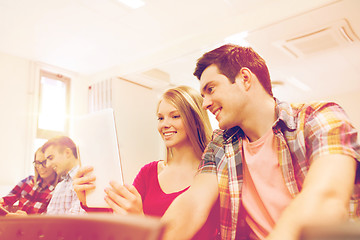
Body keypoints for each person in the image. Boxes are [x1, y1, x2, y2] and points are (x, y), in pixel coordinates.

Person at [161, 44, 360, 240]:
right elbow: (193, 203)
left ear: (244, 79)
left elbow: (326, 197)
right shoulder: (221, 144)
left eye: (211, 89)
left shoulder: (318, 117)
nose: (205, 104)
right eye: (203, 95)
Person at [73, 85, 220, 239]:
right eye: (161, 118)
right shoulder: (149, 172)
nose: (164, 124)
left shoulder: (212, 175)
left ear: (196, 120)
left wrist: (139, 219)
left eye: (175, 116)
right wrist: (89, 200)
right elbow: (120, 221)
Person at [0, 146, 59, 215]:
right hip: (17, 224)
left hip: (36, 225)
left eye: (44, 162)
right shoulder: (27, 181)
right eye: (37, 163)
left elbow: (48, 220)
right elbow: (6, 199)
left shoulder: (58, 190)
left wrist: (27, 218)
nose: (40, 167)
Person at [43, 135, 85, 214]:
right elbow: (50, 219)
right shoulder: (60, 186)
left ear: (67, 152)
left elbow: (77, 222)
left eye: (51, 158)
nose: (48, 165)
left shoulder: (84, 179)